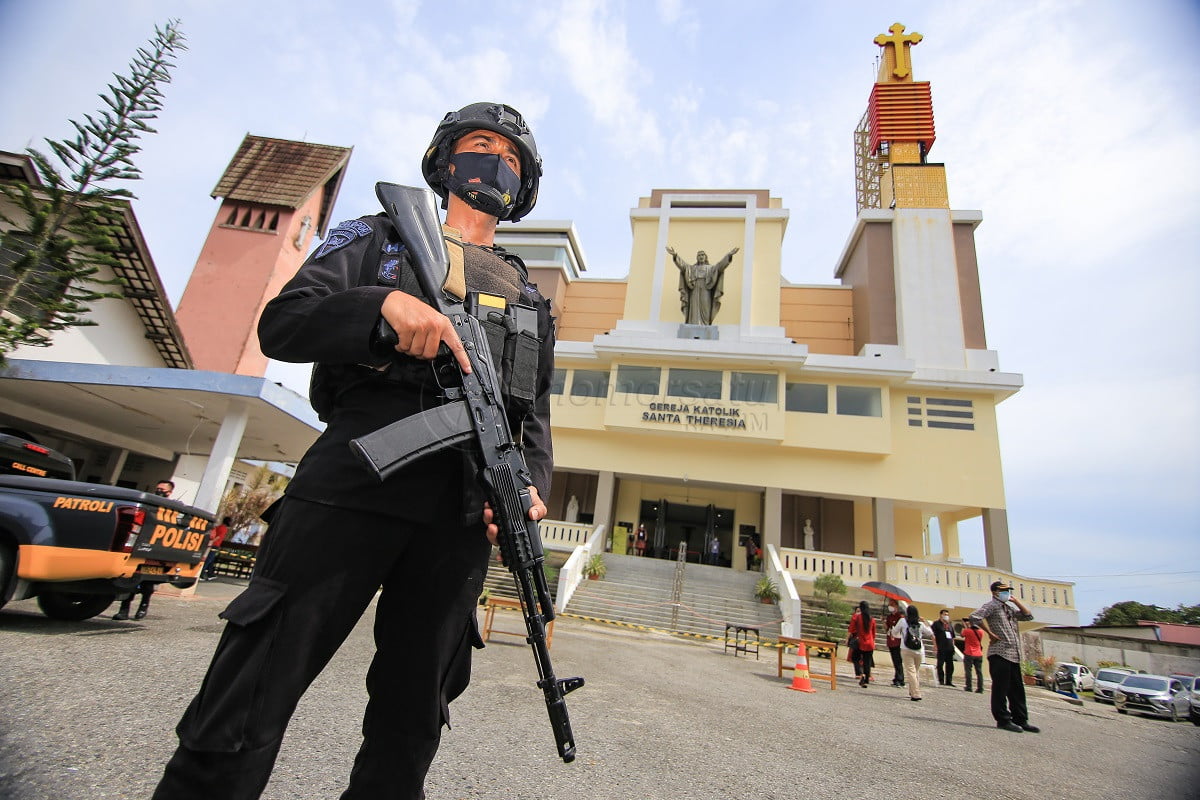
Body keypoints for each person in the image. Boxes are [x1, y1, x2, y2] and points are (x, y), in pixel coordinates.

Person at [148, 102, 555, 800]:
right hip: (354, 482)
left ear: (522, 189)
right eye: (481, 146)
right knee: (251, 693)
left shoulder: (530, 295)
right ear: (446, 162)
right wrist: (379, 309)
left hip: (461, 516)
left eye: (511, 158)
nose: (496, 162)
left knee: (411, 722)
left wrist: (531, 488)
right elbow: (285, 322)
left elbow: (535, 417)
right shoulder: (381, 237)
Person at [970, 580, 1038, 733]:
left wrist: (1016, 602)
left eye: (1008, 591)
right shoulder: (992, 605)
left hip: (1013, 653)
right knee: (1001, 688)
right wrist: (990, 633)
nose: (1007, 593)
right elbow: (975, 617)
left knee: (1017, 688)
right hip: (999, 652)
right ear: (995, 592)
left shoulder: (1008, 608)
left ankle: (1020, 719)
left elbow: (1028, 616)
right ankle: (1003, 719)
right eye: (1003, 591)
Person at [114, 479, 176, 621]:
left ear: (170, 492)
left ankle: (143, 606)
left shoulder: (171, 509)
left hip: (155, 550)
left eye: (163, 489)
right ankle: (124, 610)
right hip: (140, 546)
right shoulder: (148, 504)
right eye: (158, 488)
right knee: (129, 580)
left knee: (148, 584)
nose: (159, 491)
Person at [666, 246, 739, 325]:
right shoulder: (692, 268)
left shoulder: (710, 268)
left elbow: (720, 266)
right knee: (694, 308)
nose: (701, 257)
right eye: (699, 255)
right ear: (697, 258)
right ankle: (693, 324)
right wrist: (675, 256)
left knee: (706, 308)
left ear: (705, 257)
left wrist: (729, 255)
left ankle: (705, 324)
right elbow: (683, 266)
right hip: (695, 289)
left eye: (702, 255)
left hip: (706, 289)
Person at [890, 603, 934, 701]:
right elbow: (930, 633)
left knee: (911, 672)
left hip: (906, 649)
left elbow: (894, 632)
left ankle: (916, 693)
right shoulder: (920, 624)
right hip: (918, 650)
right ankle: (912, 690)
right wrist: (925, 621)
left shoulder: (902, 621)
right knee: (915, 671)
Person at [847, 599, 876, 688]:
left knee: (855, 657)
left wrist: (847, 639)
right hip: (870, 642)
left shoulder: (856, 617)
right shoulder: (872, 619)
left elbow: (851, 629)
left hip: (860, 642)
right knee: (867, 661)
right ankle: (866, 678)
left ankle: (860, 673)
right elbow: (874, 633)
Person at [200, 516, 231, 581]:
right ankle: (201, 573)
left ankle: (210, 574)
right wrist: (212, 541)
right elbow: (219, 537)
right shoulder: (224, 529)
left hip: (212, 545)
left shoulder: (219, 527)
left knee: (211, 560)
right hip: (215, 545)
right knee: (209, 560)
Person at [931, 608, 957, 687]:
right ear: (941, 615)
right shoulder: (936, 624)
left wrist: (953, 646)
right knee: (940, 664)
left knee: (950, 665)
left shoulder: (949, 625)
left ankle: (949, 681)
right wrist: (935, 645)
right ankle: (941, 680)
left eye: (947, 615)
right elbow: (932, 635)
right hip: (941, 647)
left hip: (949, 648)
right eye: (945, 614)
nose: (946, 616)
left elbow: (953, 637)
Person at [961, 616, 985, 693]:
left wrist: (965, 626)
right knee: (979, 671)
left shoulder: (967, 631)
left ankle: (969, 686)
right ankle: (980, 688)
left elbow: (962, 634)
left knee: (968, 670)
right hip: (978, 653)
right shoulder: (981, 631)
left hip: (969, 652)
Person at [884, 599, 905, 687]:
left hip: (898, 641)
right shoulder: (889, 617)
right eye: (889, 605)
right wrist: (884, 623)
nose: (890, 606)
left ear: (896, 606)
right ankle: (896, 677)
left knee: (898, 661)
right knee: (895, 660)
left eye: (892, 605)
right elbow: (886, 629)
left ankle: (900, 679)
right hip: (891, 641)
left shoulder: (900, 617)